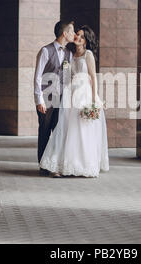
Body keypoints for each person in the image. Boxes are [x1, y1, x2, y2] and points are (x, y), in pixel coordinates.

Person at [39, 25, 109, 178]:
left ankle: (83, 165)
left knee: (82, 129)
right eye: (77, 34)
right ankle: (64, 164)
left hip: (84, 93)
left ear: (86, 41)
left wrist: (93, 99)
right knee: (67, 128)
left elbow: (93, 77)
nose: (78, 37)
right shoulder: (70, 55)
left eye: (82, 36)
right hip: (70, 94)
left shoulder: (88, 54)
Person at [34, 20, 75, 176]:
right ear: (65, 33)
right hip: (46, 99)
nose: (74, 34)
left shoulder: (69, 54)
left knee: (58, 132)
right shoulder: (45, 51)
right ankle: (43, 166)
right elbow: (38, 77)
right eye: (72, 31)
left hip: (62, 100)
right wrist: (39, 100)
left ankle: (55, 165)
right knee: (44, 132)